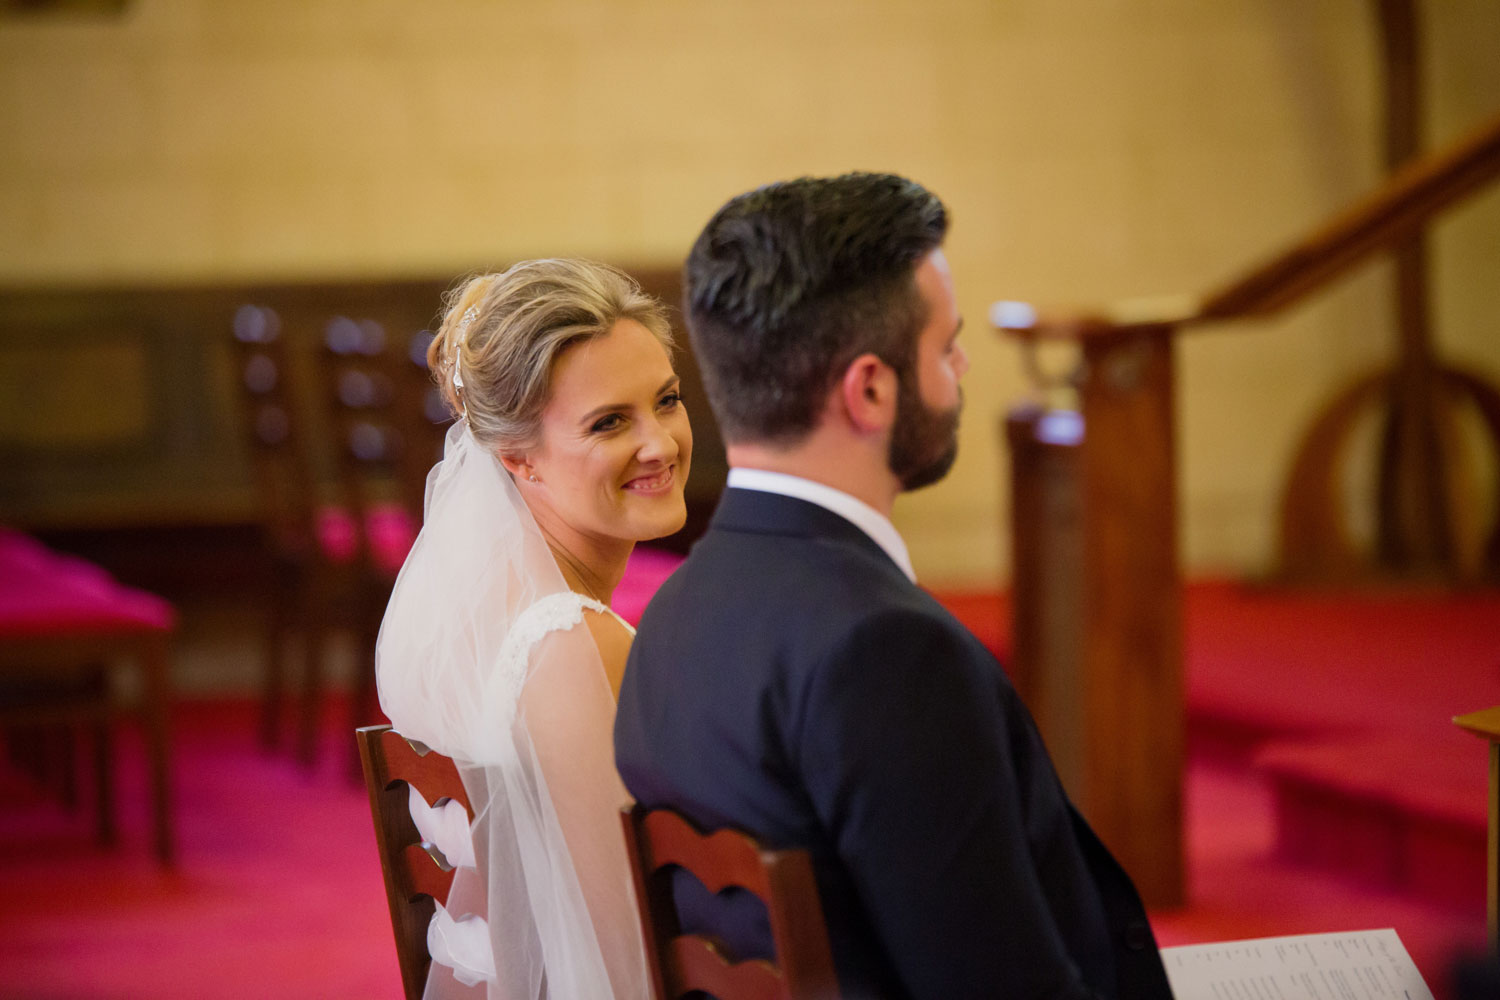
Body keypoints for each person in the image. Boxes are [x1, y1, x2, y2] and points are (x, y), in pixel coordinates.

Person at [613, 173, 1174, 999]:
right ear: (870, 389)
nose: (963, 365)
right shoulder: (885, 653)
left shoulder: (674, 611)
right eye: (945, 346)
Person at [376, 258, 691, 1000]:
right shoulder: (572, 645)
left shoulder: (488, 618)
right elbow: (630, 963)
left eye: (667, 401)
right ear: (518, 458)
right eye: (610, 422)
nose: (661, 444)